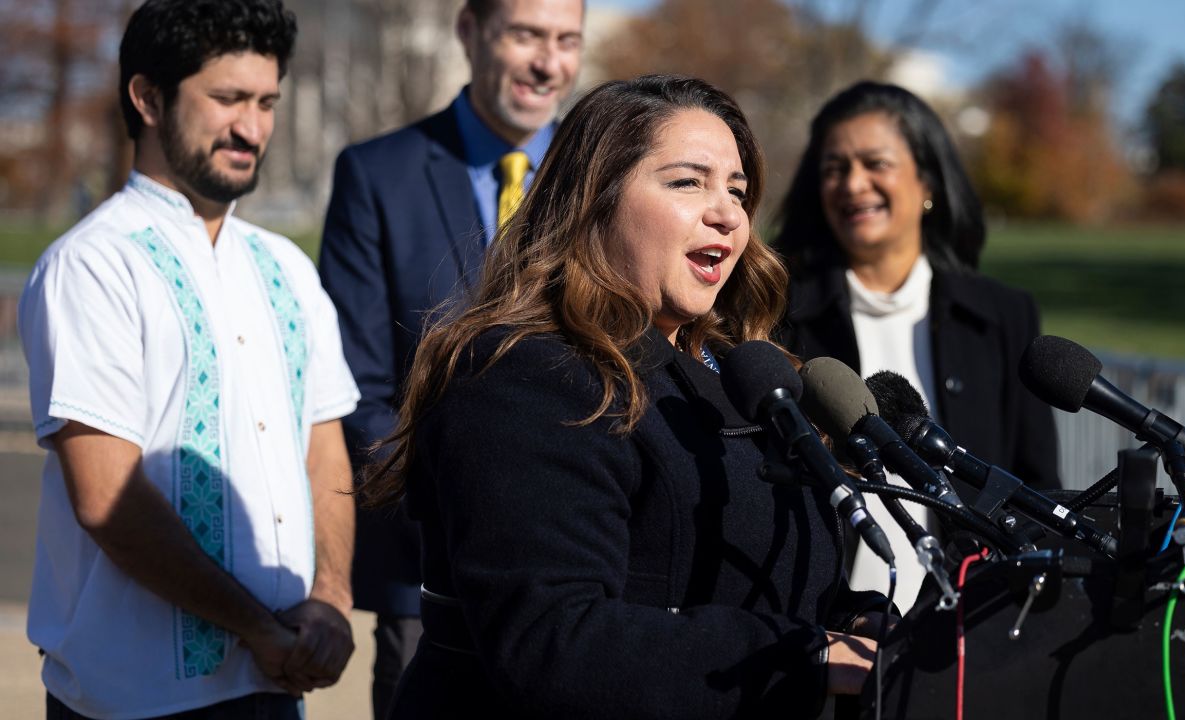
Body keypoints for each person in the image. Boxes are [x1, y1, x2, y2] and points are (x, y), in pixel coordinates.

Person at [358, 75, 887, 720]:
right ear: (595, 202)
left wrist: (860, 625)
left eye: (737, 190)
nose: (725, 210)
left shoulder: (732, 372)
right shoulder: (524, 373)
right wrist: (804, 656)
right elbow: (557, 643)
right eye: (688, 182)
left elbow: (754, 581)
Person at [19, 1, 360, 717]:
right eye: (228, 99)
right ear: (147, 97)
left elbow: (324, 450)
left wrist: (330, 598)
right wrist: (256, 628)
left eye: (266, 101)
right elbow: (107, 498)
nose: (253, 128)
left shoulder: (286, 269)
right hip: (133, 698)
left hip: (274, 683)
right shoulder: (92, 266)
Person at [316, 1, 583, 714]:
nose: (546, 62)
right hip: (429, 576)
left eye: (567, 41)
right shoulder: (378, 175)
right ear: (470, 32)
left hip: (584, 581)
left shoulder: (603, 184)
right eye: (526, 35)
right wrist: (461, 512)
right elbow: (356, 388)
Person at [775, 80, 1060, 606]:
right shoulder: (777, 311)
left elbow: (1037, 489)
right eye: (835, 168)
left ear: (926, 179)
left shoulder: (1004, 316)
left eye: (874, 163)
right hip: (825, 634)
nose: (853, 184)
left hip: (968, 636)